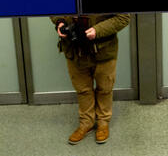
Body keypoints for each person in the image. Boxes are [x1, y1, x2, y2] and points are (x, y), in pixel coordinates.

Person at [50, 14, 130, 145]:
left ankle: (103, 122)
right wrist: (59, 22)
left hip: (103, 49)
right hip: (74, 49)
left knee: (105, 88)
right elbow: (53, 7)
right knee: (82, 89)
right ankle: (86, 123)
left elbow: (123, 17)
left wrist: (97, 30)